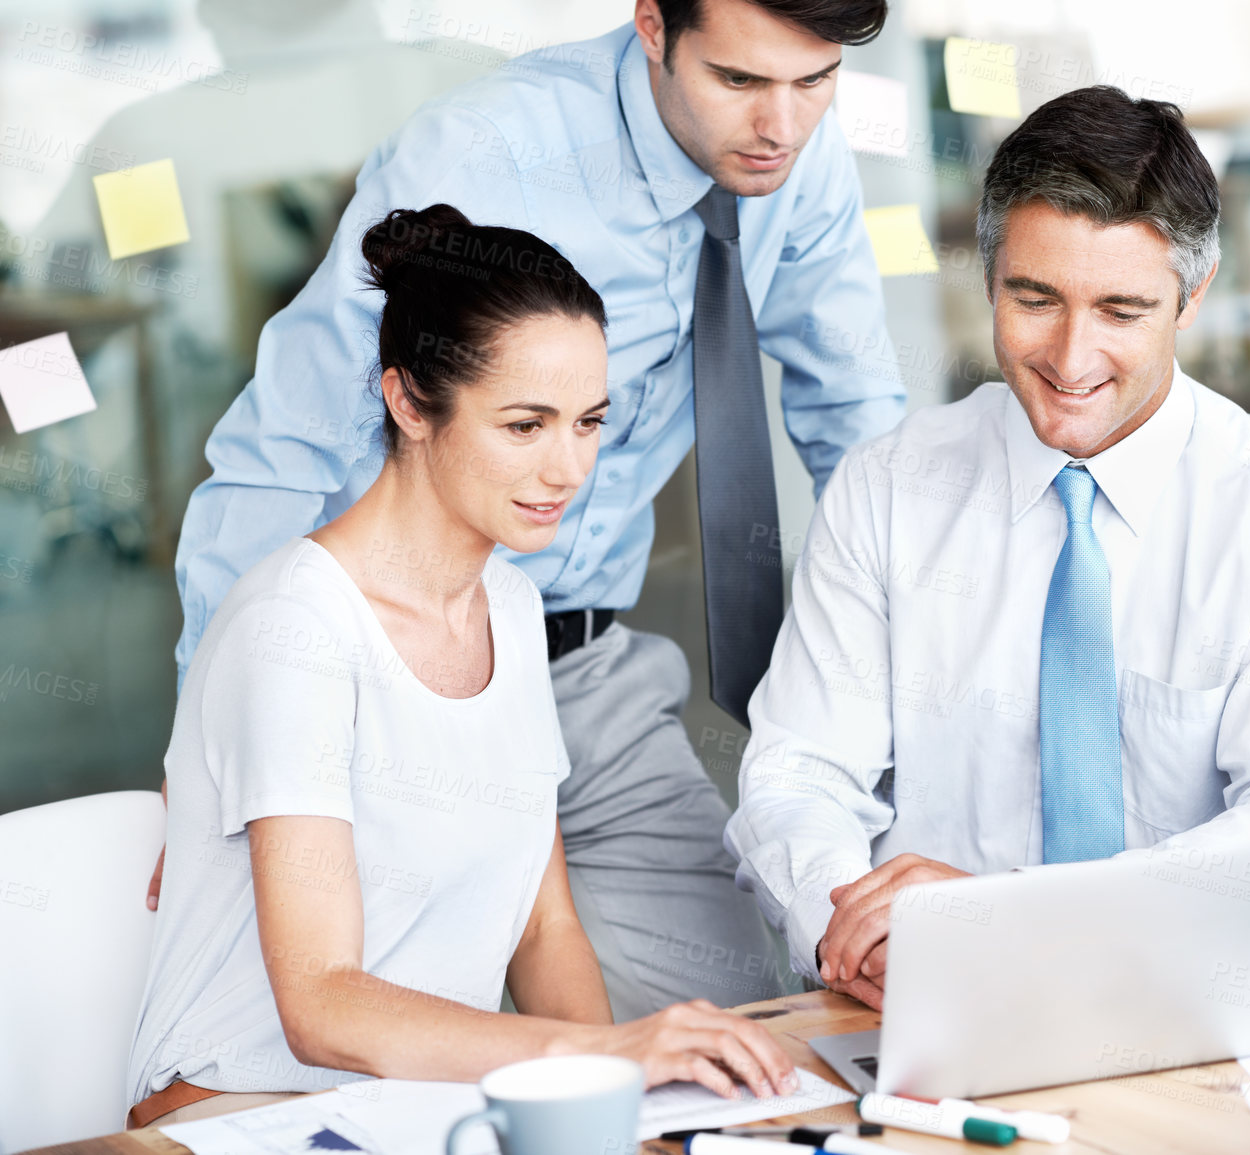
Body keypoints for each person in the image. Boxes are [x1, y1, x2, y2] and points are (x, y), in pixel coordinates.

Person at [162, 0, 906, 1019]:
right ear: (653, 28)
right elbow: (285, 443)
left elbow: (854, 414)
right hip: (385, 678)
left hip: (587, 667)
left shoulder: (794, 160)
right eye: (739, 81)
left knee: (733, 1034)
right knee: (387, 1049)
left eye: (815, 81)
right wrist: (208, 729)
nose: (780, 123)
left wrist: (915, 653)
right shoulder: (481, 156)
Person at [127, 205, 796, 1131]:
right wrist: (605, 1052)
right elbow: (321, 1003)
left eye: (588, 422)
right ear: (408, 402)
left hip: (421, 1116)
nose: (568, 467)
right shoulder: (297, 626)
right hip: (240, 1114)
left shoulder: (514, 610)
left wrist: (608, 1111)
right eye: (525, 425)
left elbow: (542, 926)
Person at [724, 85, 1250, 1011]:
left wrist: (1019, 924)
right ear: (988, 275)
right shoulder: (887, 490)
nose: (1071, 359)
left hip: (1180, 1001)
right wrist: (852, 923)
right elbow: (800, 772)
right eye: (1033, 299)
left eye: (1121, 311)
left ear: (1191, 297)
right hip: (925, 1001)